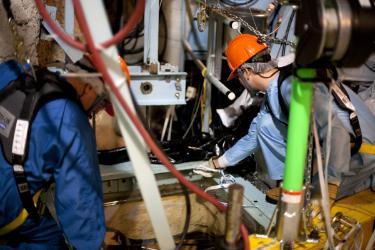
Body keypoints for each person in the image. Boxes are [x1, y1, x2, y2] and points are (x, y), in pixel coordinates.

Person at [194, 34, 375, 201]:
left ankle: (361, 180)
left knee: (310, 204)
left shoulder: (290, 87)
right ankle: (293, 183)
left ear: (247, 72)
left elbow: (336, 129)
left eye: (239, 76)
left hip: (362, 150)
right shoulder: (276, 90)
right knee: (264, 125)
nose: (240, 81)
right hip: (348, 146)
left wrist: (329, 184)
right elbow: (254, 136)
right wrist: (217, 164)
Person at [0, 3, 106, 248]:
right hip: (7, 214)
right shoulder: (71, 120)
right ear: (89, 87)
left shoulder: (15, 74)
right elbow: (81, 204)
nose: (97, 112)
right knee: (49, 238)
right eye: (101, 104)